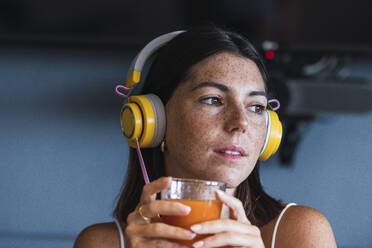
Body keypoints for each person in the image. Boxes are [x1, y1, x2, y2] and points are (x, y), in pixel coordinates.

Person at [74, 24, 337, 248]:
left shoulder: (301, 231)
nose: (240, 123)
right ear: (155, 120)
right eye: (213, 100)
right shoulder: (101, 242)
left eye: (256, 107)